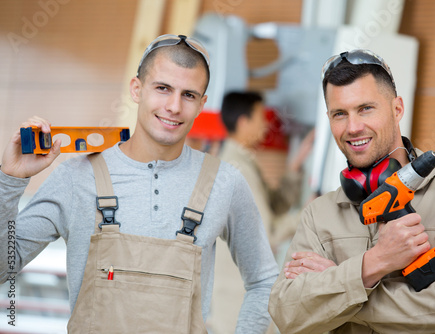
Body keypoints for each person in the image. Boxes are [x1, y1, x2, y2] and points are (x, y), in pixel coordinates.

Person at [0, 34, 278, 333]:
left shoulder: (226, 182)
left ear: (201, 104)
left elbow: (264, 281)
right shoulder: (76, 178)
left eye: (188, 95)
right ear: (137, 89)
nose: (173, 106)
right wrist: (9, 182)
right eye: (163, 88)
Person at [268, 49, 435, 333]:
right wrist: (373, 264)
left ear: (397, 108)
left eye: (366, 108)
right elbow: (286, 312)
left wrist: (338, 292)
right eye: (339, 114)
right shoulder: (320, 214)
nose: (353, 127)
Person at [209, 91, 313, 333]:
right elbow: (266, 233)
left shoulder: (242, 161)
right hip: (239, 298)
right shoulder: (237, 170)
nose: (266, 124)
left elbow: (274, 205)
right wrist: (308, 214)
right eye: (260, 117)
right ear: (244, 122)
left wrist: (295, 166)